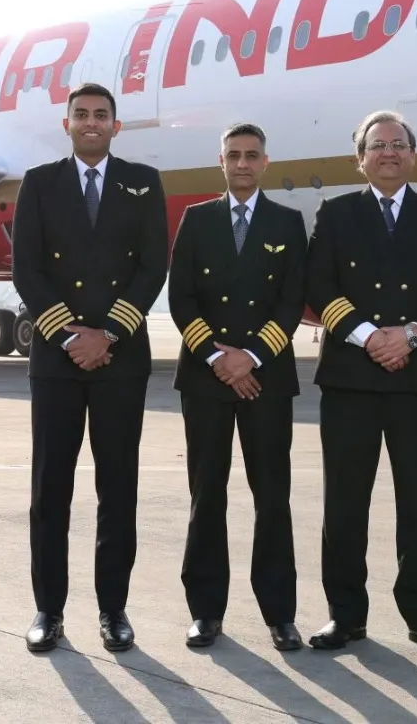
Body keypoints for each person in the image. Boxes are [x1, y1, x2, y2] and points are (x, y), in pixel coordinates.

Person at [10, 81, 169, 655]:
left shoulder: (143, 183)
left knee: (117, 490)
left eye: (102, 115)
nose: (92, 123)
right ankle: (48, 611)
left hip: (120, 360)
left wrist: (109, 334)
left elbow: (153, 267)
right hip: (57, 362)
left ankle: (113, 610)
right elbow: (26, 269)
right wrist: (69, 335)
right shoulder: (40, 183)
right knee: (50, 490)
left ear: (116, 126)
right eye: (82, 115)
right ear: (67, 123)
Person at [304, 109, 417, 655]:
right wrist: (371, 335)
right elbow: (321, 287)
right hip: (351, 380)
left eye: (398, 144)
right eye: (377, 146)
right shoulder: (335, 213)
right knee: (345, 505)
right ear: (360, 159)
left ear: (413, 155)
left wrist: (413, 335)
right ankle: (345, 616)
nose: (389, 153)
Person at [168, 122, 308, 652]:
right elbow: (181, 297)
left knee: (272, 497)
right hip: (205, 380)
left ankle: (279, 613)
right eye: (234, 155)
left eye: (252, 155)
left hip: (265, 381)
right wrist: (217, 358)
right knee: (207, 496)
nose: (243, 163)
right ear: (220, 162)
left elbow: (291, 300)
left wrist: (249, 358)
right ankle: (205, 611)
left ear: (265, 162)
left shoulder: (287, 222)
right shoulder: (197, 220)